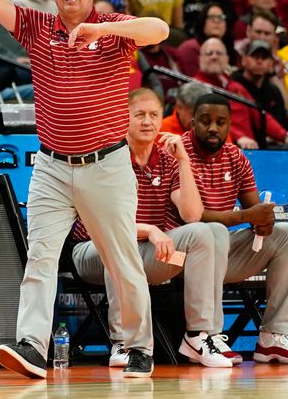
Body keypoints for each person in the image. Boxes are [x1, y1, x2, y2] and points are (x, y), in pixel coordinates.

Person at [0, 0, 170, 378]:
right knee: (40, 255)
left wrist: (103, 31)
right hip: (52, 167)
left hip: (106, 164)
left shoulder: (113, 29)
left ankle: (138, 346)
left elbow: (160, 30)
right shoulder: (37, 28)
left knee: (122, 259)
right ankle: (33, 346)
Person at [71, 88, 238, 368]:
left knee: (210, 233)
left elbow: (192, 214)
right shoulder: (105, 158)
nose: (147, 121)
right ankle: (123, 343)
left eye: (154, 115)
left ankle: (199, 335)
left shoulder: (167, 160)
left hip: (149, 254)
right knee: (119, 249)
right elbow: (104, 223)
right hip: (91, 251)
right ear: (123, 117)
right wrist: (149, 229)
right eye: (139, 115)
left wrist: (184, 161)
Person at [184, 93, 288, 363]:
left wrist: (263, 220)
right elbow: (191, 218)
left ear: (230, 125)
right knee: (213, 232)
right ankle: (210, 335)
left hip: (220, 254)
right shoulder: (179, 154)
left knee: (287, 236)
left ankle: (272, 337)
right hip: (181, 256)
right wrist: (244, 217)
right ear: (192, 123)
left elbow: (254, 211)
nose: (213, 128)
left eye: (221, 122)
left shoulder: (235, 156)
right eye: (205, 121)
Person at [193, 38, 288, 149]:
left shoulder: (235, 86)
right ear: (199, 59)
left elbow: (258, 114)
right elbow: (205, 123)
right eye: (209, 53)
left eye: (219, 53)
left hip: (249, 149)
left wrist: (284, 135)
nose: (214, 57)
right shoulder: (195, 88)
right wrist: (239, 137)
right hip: (220, 149)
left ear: (227, 59)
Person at [232, 40, 288, 130]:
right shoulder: (233, 85)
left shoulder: (273, 91)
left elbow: (283, 121)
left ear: (271, 63)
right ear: (243, 60)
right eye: (255, 56)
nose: (259, 61)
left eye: (264, 57)